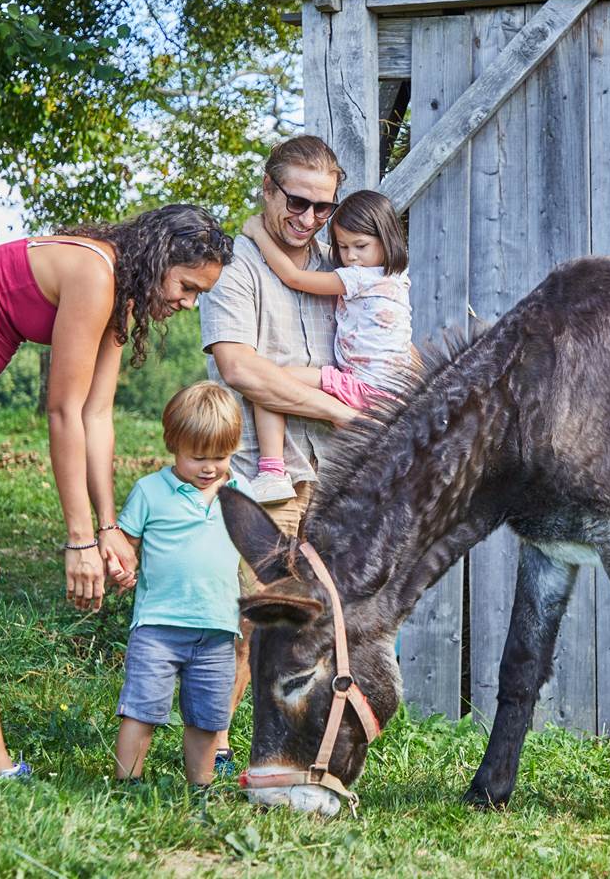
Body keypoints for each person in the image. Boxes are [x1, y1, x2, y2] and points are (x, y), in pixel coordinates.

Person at [0, 204, 233, 778]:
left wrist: (108, 529)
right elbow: (62, 412)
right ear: (159, 259)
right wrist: (77, 540)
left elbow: (96, 416)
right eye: (186, 286)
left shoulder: (119, 295)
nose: (187, 302)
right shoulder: (94, 273)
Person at [200, 135, 354, 772]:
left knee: (332, 630)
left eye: (324, 207)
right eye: (297, 201)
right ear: (267, 189)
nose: (310, 219)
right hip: (270, 485)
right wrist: (344, 410)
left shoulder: (341, 261)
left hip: (341, 478)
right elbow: (241, 368)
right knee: (249, 630)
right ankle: (212, 755)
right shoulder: (235, 266)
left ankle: (313, 748)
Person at [239, 189, 413, 503]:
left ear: (387, 241)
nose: (351, 257)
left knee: (269, 381)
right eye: (343, 247)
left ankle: (272, 472)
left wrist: (257, 233)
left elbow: (293, 277)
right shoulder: (398, 279)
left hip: (362, 388)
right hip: (390, 395)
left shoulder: (361, 278)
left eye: (361, 246)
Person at [112, 382, 245, 787]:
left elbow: (259, 548)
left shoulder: (240, 492)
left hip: (218, 629)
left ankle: (199, 788)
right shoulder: (150, 492)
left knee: (207, 719)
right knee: (143, 710)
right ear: (173, 445)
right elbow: (127, 544)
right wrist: (121, 567)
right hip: (158, 626)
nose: (209, 468)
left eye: (220, 457)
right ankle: (127, 785)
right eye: (197, 457)